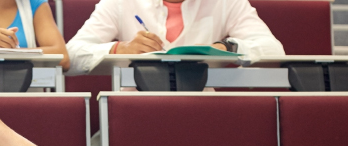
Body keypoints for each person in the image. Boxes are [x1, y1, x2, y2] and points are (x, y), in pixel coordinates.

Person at [65, 0, 285, 76]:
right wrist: (118, 49)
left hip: (205, 109)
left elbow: (273, 50)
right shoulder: (120, 3)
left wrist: (228, 47)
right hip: (132, 111)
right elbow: (71, 56)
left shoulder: (226, 2)